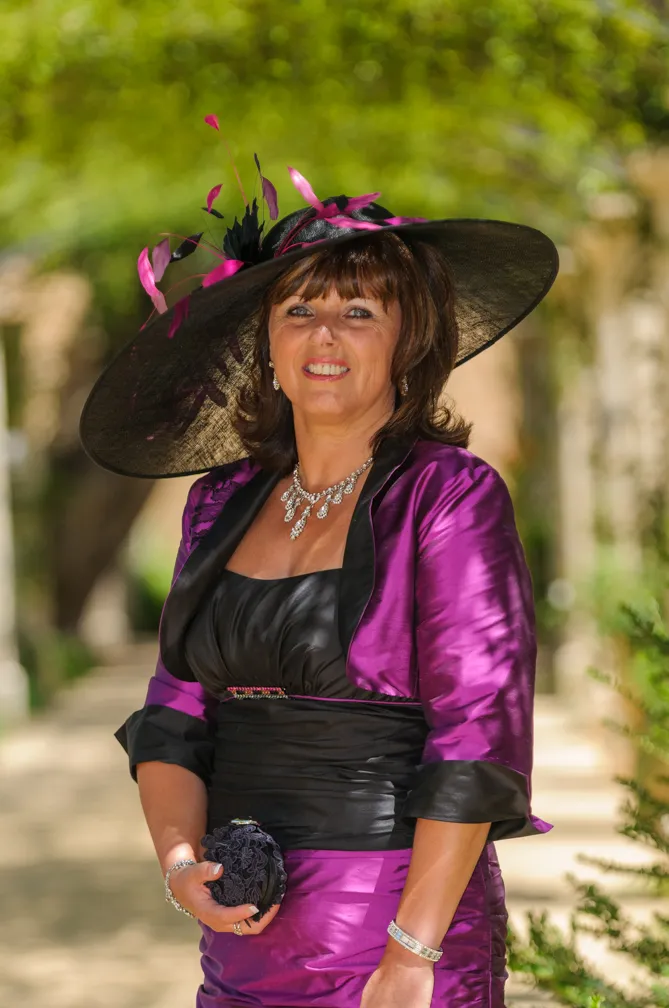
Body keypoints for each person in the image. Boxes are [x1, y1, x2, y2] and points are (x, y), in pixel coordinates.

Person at [80, 162, 558, 1008]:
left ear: (407, 340)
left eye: (358, 312)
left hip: (397, 926)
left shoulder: (447, 495)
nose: (323, 335)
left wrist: (412, 956)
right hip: (244, 935)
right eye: (297, 309)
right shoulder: (218, 501)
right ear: (264, 339)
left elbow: (474, 736)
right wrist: (182, 864)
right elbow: (174, 712)